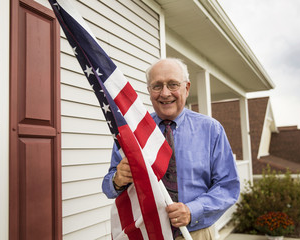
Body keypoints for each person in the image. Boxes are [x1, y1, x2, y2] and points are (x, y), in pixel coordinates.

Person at [102, 58, 240, 239]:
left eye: (173, 84)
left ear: (187, 88)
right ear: (149, 91)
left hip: (194, 233)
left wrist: (192, 210)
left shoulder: (211, 130)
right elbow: (108, 186)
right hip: (146, 233)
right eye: (157, 86)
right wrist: (117, 179)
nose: (165, 93)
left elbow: (228, 186)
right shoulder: (133, 131)